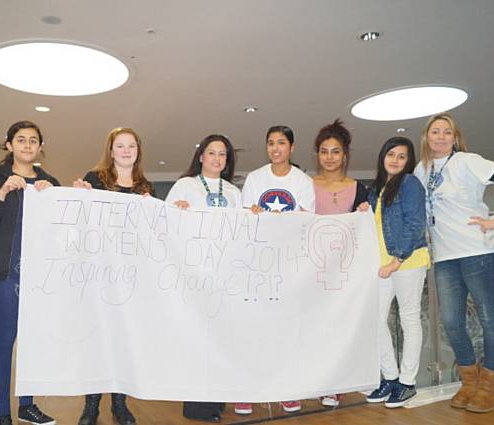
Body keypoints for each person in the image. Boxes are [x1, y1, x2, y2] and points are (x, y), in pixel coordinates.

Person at [414, 113, 494, 413]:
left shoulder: (465, 161)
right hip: (445, 257)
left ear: (455, 137)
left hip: (478, 252)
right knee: (452, 322)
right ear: (427, 137)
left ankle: (489, 386)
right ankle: (469, 382)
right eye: (435, 132)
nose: (441, 136)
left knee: (488, 318)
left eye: (447, 132)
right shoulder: (422, 169)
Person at [0, 121, 59, 425]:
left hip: (39, 276)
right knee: (5, 339)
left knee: (32, 340)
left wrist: (54, 198)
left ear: (40, 147)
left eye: (33, 140)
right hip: (4, 273)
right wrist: (1, 193)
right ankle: (2, 414)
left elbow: (60, 230)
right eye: (20, 140)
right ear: (9, 145)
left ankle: (27, 406)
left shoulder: (49, 181)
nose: (27, 145)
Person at [73, 127, 154, 425]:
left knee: (124, 339)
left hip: (131, 277)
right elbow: (83, 221)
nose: (125, 150)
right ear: (111, 150)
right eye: (120, 146)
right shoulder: (95, 180)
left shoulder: (146, 187)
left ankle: (120, 404)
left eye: (131, 145)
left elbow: (152, 233)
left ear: (138, 150)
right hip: (100, 273)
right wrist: (79, 197)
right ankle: (91, 406)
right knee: (97, 339)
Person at [236, 125, 314, 416]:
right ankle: (248, 391)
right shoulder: (256, 179)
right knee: (255, 327)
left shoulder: (303, 181)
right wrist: (252, 215)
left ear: (292, 147)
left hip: (289, 264)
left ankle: (286, 389)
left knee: (286, 328)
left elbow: (307, 223)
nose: (275, 148)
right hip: (258, 263)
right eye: (270, 143)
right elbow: (245, 220)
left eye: (281, 143)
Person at [165, 134, 241, 422]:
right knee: (197, 338)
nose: (217, 159)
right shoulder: (185, 186)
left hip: (223, 273)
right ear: (200, 157)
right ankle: (197, 406)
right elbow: (166, 221)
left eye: (223, 154)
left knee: (220, 338)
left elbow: (240, 229)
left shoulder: (234, 191)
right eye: (212, 153)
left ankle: (216, 399)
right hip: (193, 271)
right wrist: (178, 211)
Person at [366, 137, 430, 408]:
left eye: (402, 156)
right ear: (382, 156)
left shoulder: (410, 183)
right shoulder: (376, 188)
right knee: (375, 322)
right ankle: (390, 377)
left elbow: (415, 223)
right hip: (382, 265)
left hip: (408, 261)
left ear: (408, 161)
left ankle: (407, 382)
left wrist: (397, 259)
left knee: (409, 319)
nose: (395, 160)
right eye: (391, 154)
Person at [311, 119, 369, 407]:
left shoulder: (359, 189)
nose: (329, 157)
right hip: (312, 270)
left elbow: (367, 231)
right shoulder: (305, 186)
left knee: (342, 325)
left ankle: (336, 383)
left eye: (335, 151)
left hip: (346, 271)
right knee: (316, 326)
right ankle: (315, 379)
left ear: (345, 154)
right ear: (317, 154)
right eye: (324, 151)